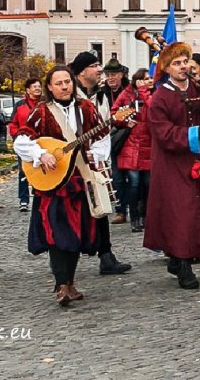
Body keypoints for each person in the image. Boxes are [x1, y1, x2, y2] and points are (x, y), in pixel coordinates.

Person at [13, 65, 120, 306]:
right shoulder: (42, 112)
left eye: (67, 82)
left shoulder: (86, 108)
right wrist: (41, 154)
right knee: (56, 234)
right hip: (53, 184)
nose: (64, 87)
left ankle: (68, 282)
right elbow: (21, 140)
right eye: (58, 83)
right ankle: (62, 284)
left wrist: (94, 154)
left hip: (79, 181)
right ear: (50, 87)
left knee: (76, 234)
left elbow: (102, 136)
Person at [144, 42, 200, 290]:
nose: (183, 67)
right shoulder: (160, 97)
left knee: (198, 210)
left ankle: (180, 257)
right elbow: (163, 133)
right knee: (179, 212)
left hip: (199, 161)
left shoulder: (199, 88)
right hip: (172, 165)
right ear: (166, 68)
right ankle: (183, 263)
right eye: (176, 63)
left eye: (185, 62)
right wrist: (199, 132)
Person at [69, 51, 132, 276]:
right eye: (94, 65)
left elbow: (102, 129)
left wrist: (98, 151)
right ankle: (64, 258)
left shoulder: (101, 96)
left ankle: (106, 256)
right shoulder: (70, 96)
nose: (99, 70)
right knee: (71, 210)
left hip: (93, 160)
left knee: (101, 207)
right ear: (82, 71)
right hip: (69, 164)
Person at [112, 68, 154, 233]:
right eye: (146, 78)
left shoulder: (153, 94)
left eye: (150, 78)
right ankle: (134, 217)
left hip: (148, 143)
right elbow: (114, 113)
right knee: (134, 183)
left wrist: (144, 92)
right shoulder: (127, 94)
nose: (149, 81)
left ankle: (145, 215)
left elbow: (155, 111)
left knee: (147, 183)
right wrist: (124, 122)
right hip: (131, 144)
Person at [100, 58, 131, 223]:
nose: (110, 78)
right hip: (111, 138)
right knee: (117, 177)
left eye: (114, 74)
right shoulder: (102, 93)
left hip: (130, 137)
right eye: (108, 75)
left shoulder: (129, 90)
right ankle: (121, 210)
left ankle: (138, 210)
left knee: (133, 178)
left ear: (121, 75)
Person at [8, 78, 42, 211]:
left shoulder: (45, 103)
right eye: (34, 86)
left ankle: (40, 195)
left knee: (41, 169)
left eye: (39, 86)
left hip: (41, 142)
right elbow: (13, 123)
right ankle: (23, 199)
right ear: (28, 90)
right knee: (24, 171)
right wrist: (17, 136)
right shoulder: (20, 105)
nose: (37, 88)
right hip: (24, 143)